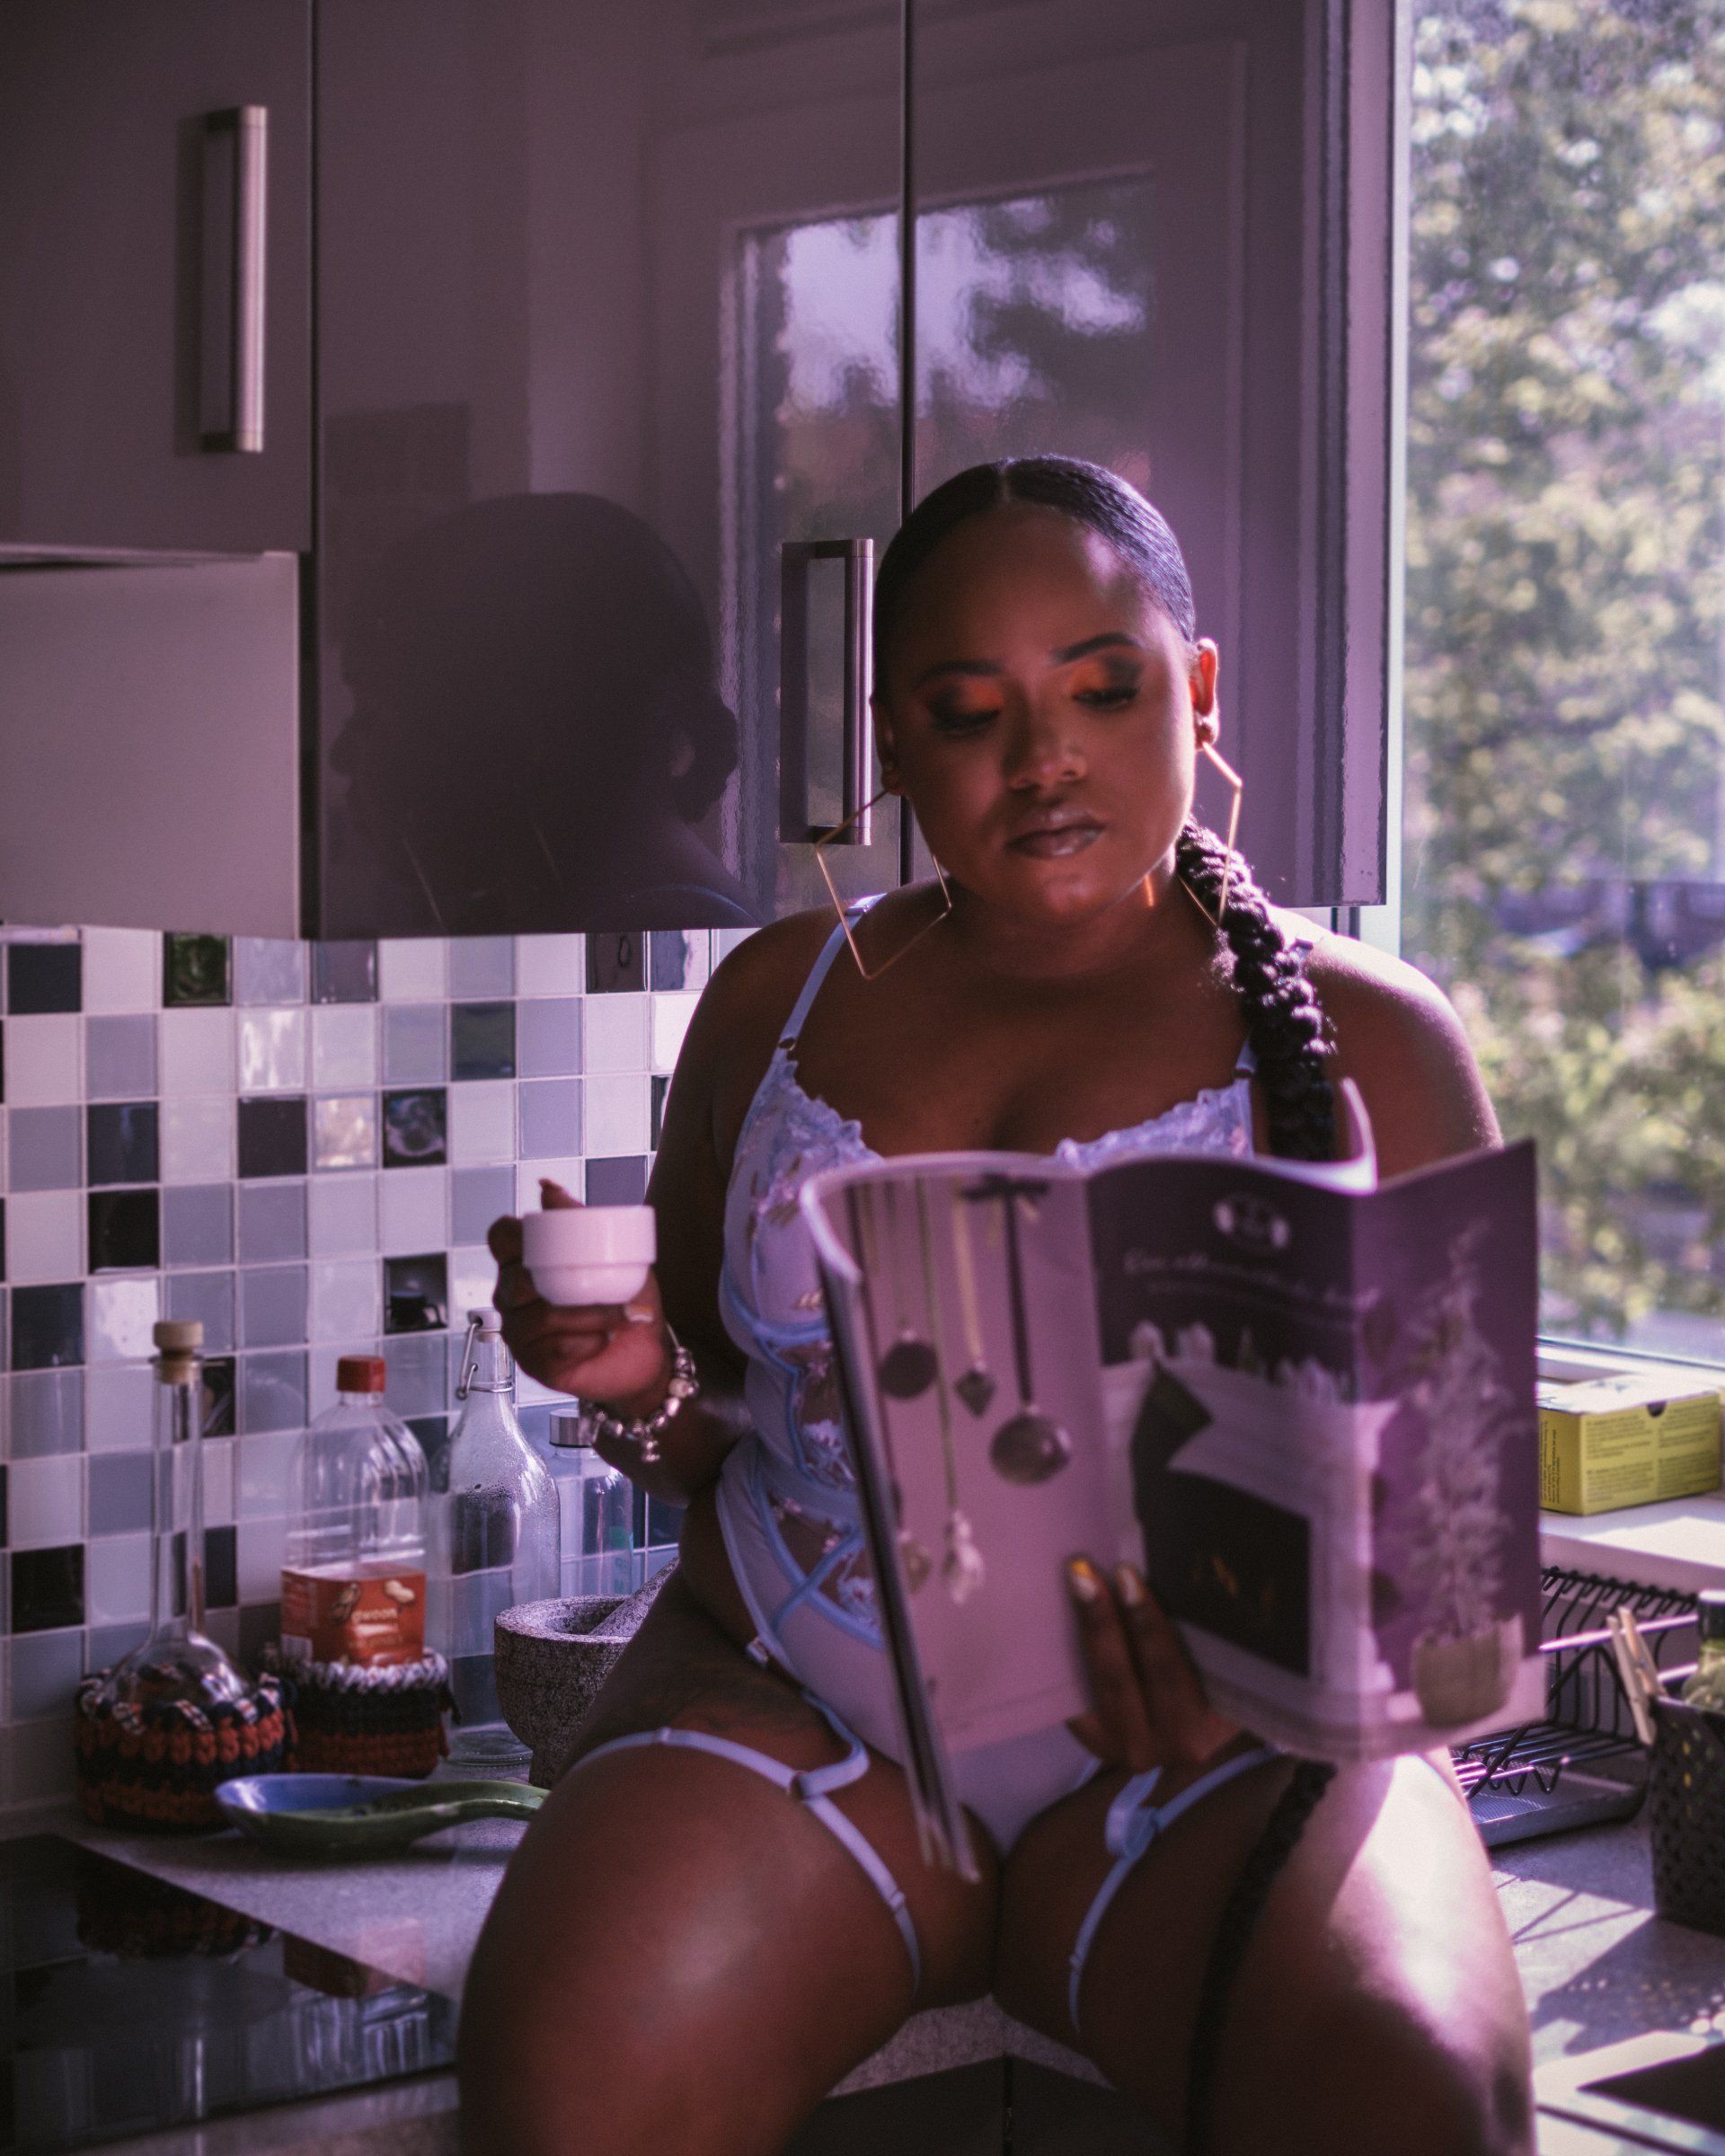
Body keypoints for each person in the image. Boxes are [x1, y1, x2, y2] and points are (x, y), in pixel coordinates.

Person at [459, 457, 1533, 2156]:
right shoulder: (773, 1005)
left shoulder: (1380, 1036)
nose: (1043, 760)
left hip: (1216, 1769)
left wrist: (1278, 1693)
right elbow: (702, 1437)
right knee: (567, 2096)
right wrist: (640, 1377)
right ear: (889, 748)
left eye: (1101, 690)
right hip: (793, 1709)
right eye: (968, 713)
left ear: (1193, 690)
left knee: (1409, 2100)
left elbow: (1463, 1579)